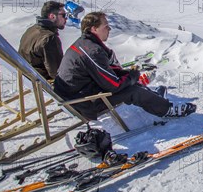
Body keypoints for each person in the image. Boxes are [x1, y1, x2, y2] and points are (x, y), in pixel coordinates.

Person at [54, 11, 195, 121]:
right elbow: (113, 85)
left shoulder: (85, 44)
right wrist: (133, 76)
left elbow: (107, 74)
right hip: (83, 103)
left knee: (127, 79)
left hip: (77, 95)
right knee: (132, 90)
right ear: (94, 29)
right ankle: (167, 110)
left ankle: (153, 98)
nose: (109, 29)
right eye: (105, 26)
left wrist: (128, 74)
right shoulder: (92, 51)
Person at [19, 1, 67, 80]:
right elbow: (57, 72)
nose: (66, 19)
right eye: (63, 15)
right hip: (45, 82)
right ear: (52, 16)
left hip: (30, 77)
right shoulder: (49, 38)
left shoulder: (31, 30)